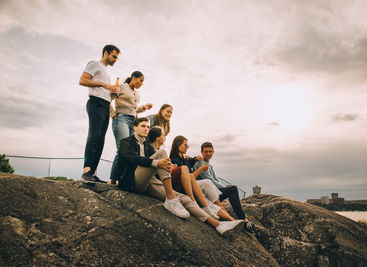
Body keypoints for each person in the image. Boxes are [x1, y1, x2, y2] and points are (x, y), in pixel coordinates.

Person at [118, 118, 244, 236]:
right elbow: (129, 157)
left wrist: (165, 166)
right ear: (134, 128)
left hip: (150, 182)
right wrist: (157, 163)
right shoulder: (126, 142)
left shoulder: (148, 147)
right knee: (162, 153)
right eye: (143, 126)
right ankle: (171, 199)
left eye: (147, 126)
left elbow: (155, 170)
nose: (146, 129)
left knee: (185, 199)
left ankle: (218, 224)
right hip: (133, 182)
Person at [79, 44, 120, 183]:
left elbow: (105, 91)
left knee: (101, 139)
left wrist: (112, 93)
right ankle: (86, 171)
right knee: (94, 135)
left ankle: (93, 172)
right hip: (95, 103)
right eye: (114, 56)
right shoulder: (94, 64)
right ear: (106, 53)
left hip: (105, 104)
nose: (115, 59)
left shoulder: (107, 73)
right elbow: (82, 80)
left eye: (117, 58)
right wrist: (104, 85)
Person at [169, 136, 236, 221]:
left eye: (187, 146)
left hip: (192, 183)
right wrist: (201, 169)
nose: (187, 147)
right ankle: (215, 208)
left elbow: (191, 161)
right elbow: (189, 176)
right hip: (184, 186)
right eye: (185, 145)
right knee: (207, 182)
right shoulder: (174, 160)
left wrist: (196, 158)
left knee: (207, 182)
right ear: (178, 145)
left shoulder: (184, 158)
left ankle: (217, 208)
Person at [193, 142, 254, 233]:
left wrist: (225, 188)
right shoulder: (200, 164)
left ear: (213, 152)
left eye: (210, 151)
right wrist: (226, 190)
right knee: (233, 189)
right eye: (205, 152)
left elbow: (216, 180)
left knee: (231, 188)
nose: (208, 153)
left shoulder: (209, 165)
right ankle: (243, 218)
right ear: (201, 152)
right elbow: (211, 182)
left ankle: (240, 217)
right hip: (207, 194)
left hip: (213, 192)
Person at [109, 71, 153, 184]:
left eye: (143, 82)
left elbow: (134, 109)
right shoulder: (121, 86)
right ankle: (114, 179)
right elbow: (109, 98)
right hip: (121, 118)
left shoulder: (137, 94)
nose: (141, 83)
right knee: (122, 148)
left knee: (130, 149)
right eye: (141, 80)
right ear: (134, 78)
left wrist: (143, 108)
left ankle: (124, 178)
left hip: (133, 121)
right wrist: (112, 113)